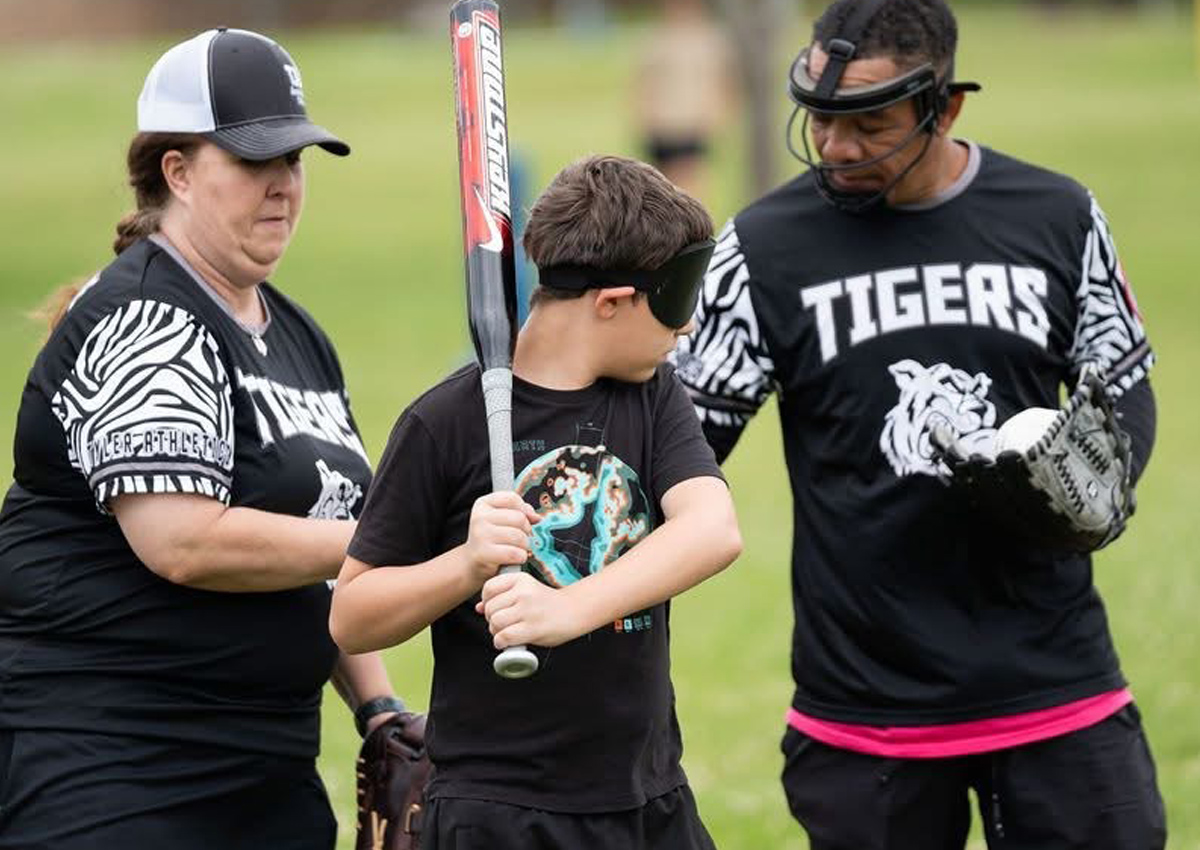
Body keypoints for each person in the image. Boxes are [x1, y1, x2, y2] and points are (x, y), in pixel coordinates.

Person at [671, 0, 1166, 847]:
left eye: (868, 122)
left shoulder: (1058, 215)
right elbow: (685, 440)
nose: (835, 145)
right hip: (866, 709)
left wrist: (1091, 488)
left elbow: (1123, 388)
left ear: (947, 105)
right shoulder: (762, 246)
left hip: (1057, 687)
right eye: (820, 118)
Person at [0, 28, 408, 850]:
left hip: (265, 772)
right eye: (255, 162)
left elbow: (317, 541)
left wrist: (379, 711)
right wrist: (403, 539)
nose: (284, 187)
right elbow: (182, 541)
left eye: (294, 162)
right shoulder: (145, 318)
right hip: (113, 771)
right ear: (176, 173)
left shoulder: (297, 334)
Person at [329, 154, 742, 850]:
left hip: (647, 798)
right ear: (611, 301)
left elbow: (712, 529)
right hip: (498, 812)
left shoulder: (651, 395)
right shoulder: (445, 423)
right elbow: (353, 616)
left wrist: (565, 610)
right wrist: (464, 565)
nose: (688, 327)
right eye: (677, 300)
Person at [633, 0, 737, 199]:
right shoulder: (656, 39)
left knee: (688, 189)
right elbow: (645, 84)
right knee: (659, 191)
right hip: (662, 126)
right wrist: (645, 118)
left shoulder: (711, 40)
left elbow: (725, 84)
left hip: (693, 125)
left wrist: (719, 118)